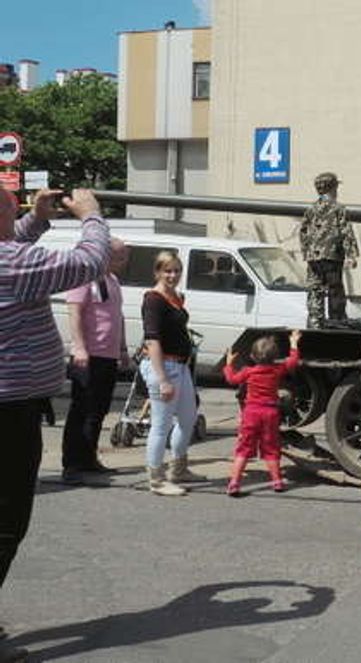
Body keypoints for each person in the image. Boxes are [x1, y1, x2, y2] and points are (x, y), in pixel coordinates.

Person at [1, 188, 109, 663]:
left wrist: (36, 220)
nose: (18, 211)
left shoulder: (12, 259)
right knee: (6, 525)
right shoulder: (13, 263)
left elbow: (14, 251)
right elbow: (89, 262)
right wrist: (92, 215)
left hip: (10, 407)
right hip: (9, 413)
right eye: (12, 207)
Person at [61, 237, 131, 484]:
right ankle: (72, 464)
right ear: (105, 255)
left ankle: (88, 457)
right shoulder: (84, 278)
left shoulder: (112, 281)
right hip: (89, 355)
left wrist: (122, 348)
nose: (124, 262)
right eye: (121, 257)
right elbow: (75, 313)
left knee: (99, 410)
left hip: (108, 355)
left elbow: (117, 316)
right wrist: (79, 347)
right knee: (81, 409)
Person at [140, 250, 204, 497]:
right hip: (163, 367)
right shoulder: (153, 300)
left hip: (180, 366)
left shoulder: (176, 297)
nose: (173, 275)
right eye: (167, 270)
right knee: (161, 425)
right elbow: (153, 340)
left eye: (176, 270)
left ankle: (178, 469)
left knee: (188, 418)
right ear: (157, 272)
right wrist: (162, 379)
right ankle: (156, 480)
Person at [223, 330, 302, 496]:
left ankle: (235, 482)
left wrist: (228, 364)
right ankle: (277, 481)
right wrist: (294, 342)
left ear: (252, 356)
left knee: (243, 449)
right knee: (272, 448)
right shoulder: (277, 370)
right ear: (275, 357)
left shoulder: (248, 372)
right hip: (270, 414)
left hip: (251, 413)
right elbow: (293, 362)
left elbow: (231, 379)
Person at [300, 172, 359, 329]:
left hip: (314, 258)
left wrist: (307, 252)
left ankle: (315, 321)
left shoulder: (311, 209)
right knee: (335, 289)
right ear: (332, 188)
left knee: (315, 289)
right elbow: (346, 231)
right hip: (332, 256)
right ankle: (336, 322)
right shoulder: (338, 208)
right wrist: (351, 255)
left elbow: (303, 231)